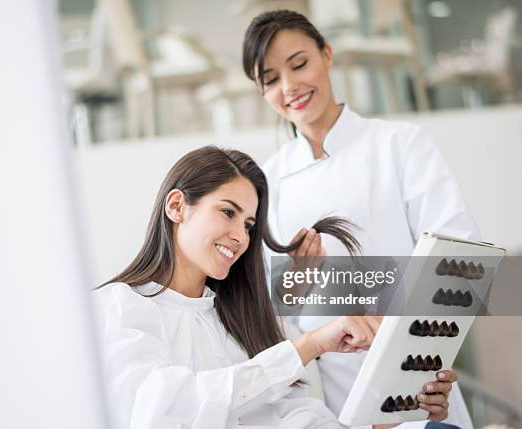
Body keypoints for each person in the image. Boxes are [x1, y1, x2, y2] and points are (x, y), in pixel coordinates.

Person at [98, 146, 456, 428]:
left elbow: (293, 417)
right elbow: (166, 408)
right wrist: (307, 347)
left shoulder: (236, 320)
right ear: (177, 206)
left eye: (249, 224)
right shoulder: (118, 308)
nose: (240, 237)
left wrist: (387, 415)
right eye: (228, 212)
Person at [242, 9, 479, 428]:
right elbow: (269, 307)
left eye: (299, 64)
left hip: (418, 381)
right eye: (271, 79)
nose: (290, 86)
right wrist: (297, 278)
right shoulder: (266, 182)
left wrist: (405, 345)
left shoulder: (400, 145)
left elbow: (459, 259)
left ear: (327, 55)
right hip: (327, 400)